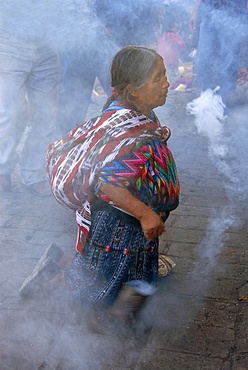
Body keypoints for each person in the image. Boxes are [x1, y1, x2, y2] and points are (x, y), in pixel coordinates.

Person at [23, 46, 180, 323]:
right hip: (119, 225)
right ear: (134, 89)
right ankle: (50, 284)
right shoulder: (132, 137)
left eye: (165, 75)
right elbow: (108, 184)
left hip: (130, 223)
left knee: (129, 269)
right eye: (158, 78)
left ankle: (122, 312)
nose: (167, 83)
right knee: (98, 278)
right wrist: (145, 214)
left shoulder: (137, 116)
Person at [0, 2, 60, 194]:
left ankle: (33, 174)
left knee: (46, 113)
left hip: (49, 44)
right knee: (9, 111)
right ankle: (2, 169)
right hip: (9, 41)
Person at [189, 0, 248, 108]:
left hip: (234, 14)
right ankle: (206, 106)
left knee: (228, 66)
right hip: (209, 12)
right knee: (204, 61)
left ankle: (224, 107)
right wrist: (195, 10)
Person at [157, 11, 186, 87]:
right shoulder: (172, 35)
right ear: (172, 24)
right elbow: (183, 46)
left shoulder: (164, 35)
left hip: (163, 65)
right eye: (175, 22)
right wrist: (176, 34)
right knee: (173, 85)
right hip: (171, 66)